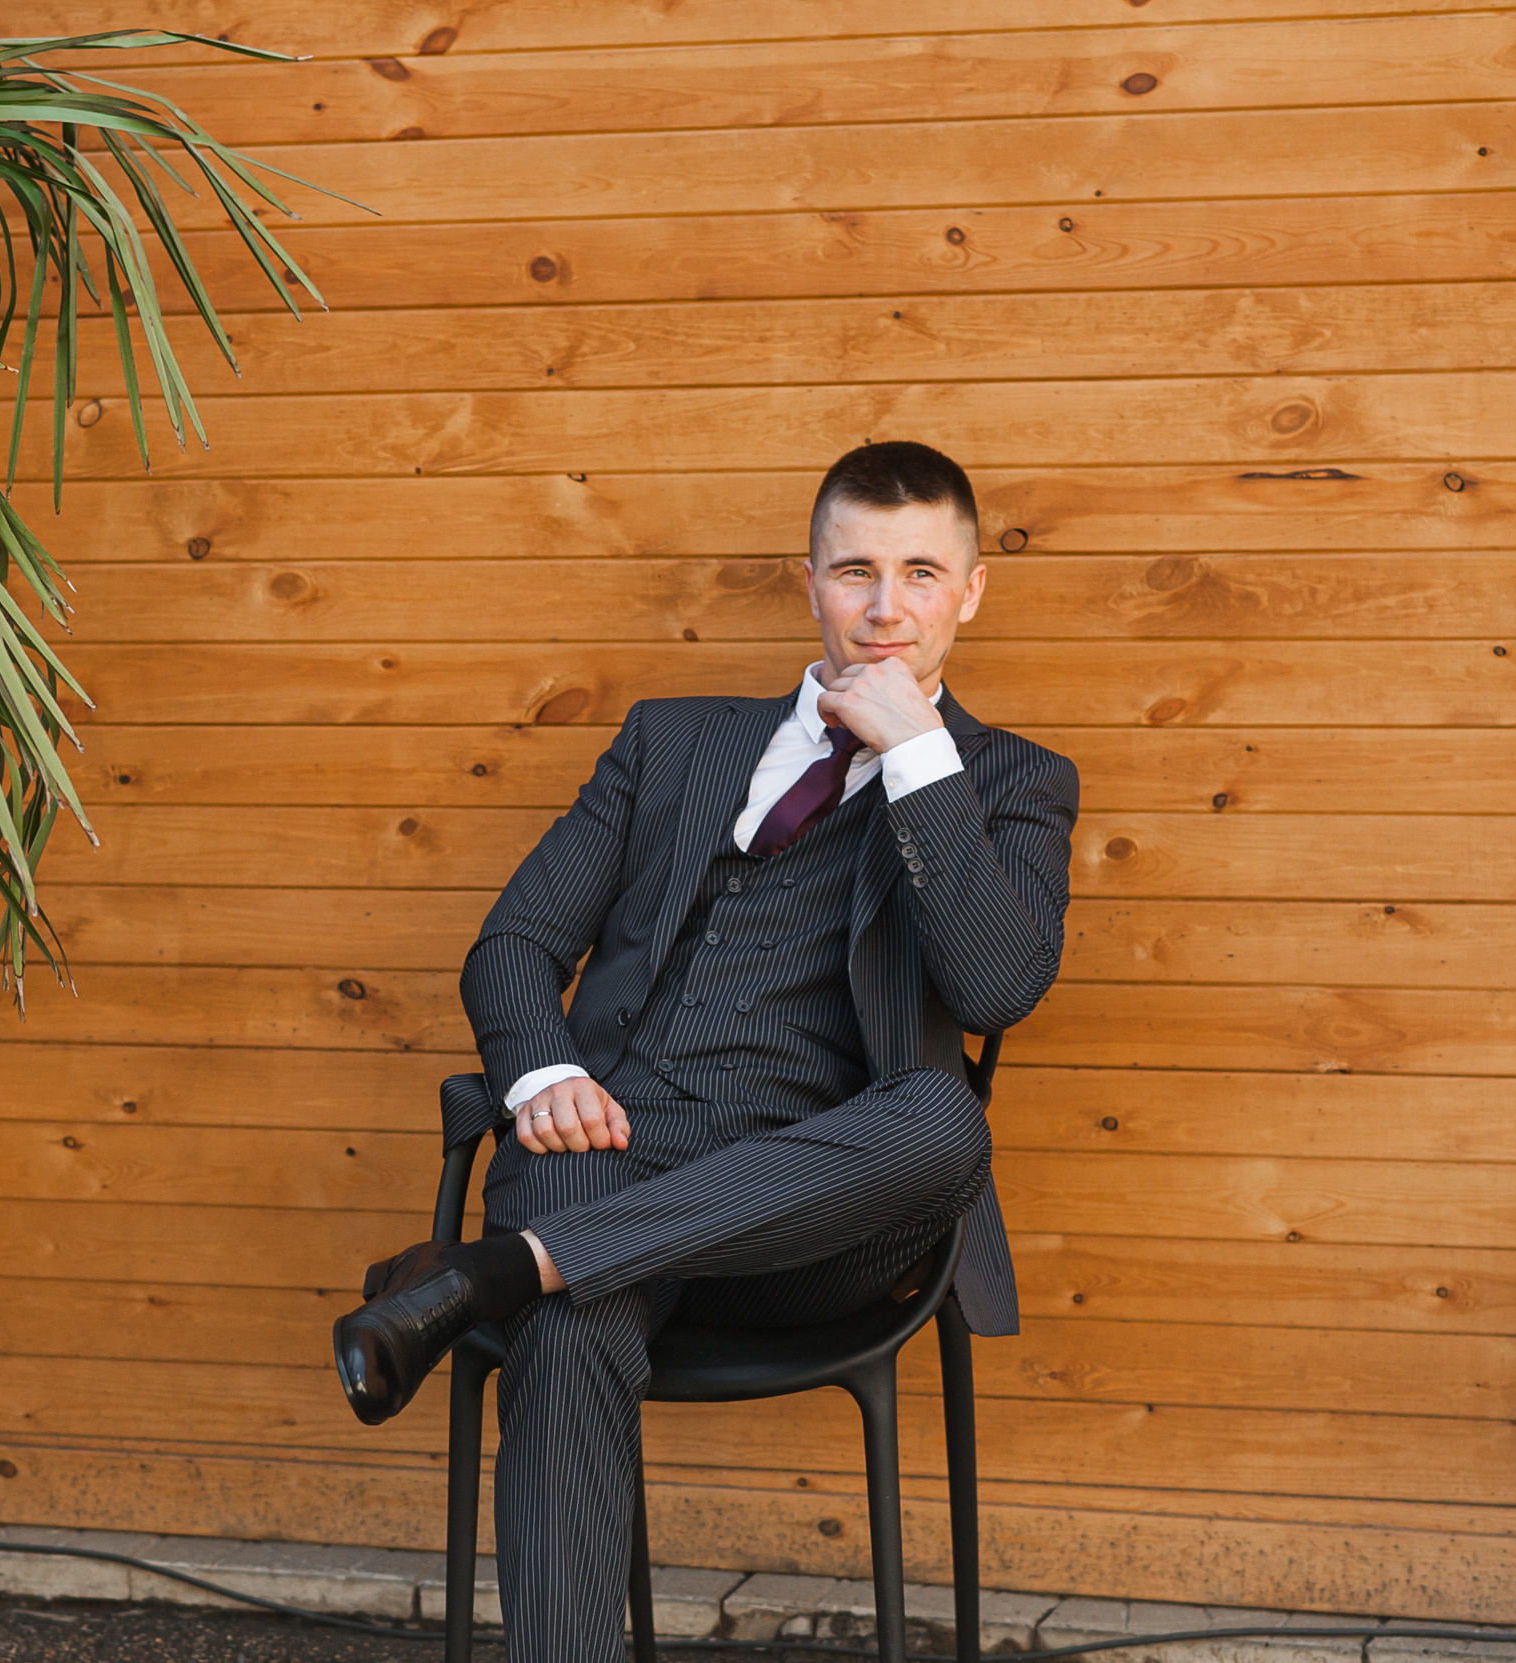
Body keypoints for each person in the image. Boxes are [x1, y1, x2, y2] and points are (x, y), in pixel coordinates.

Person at [330, 439, 1079, 1662]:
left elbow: (997, 983)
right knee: (573, 1320)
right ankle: (536, 1269)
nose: (886, 607)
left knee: (944, 1121)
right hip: (611, 1142)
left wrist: (915, 756)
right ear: (809, 583)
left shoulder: (1010, 782)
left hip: (814, 1211)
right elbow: (515, 941)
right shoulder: (671, 743)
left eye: (920, 574)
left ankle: (494, 1270)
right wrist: (543, 1072)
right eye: (854, 571)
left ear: (972, 590)